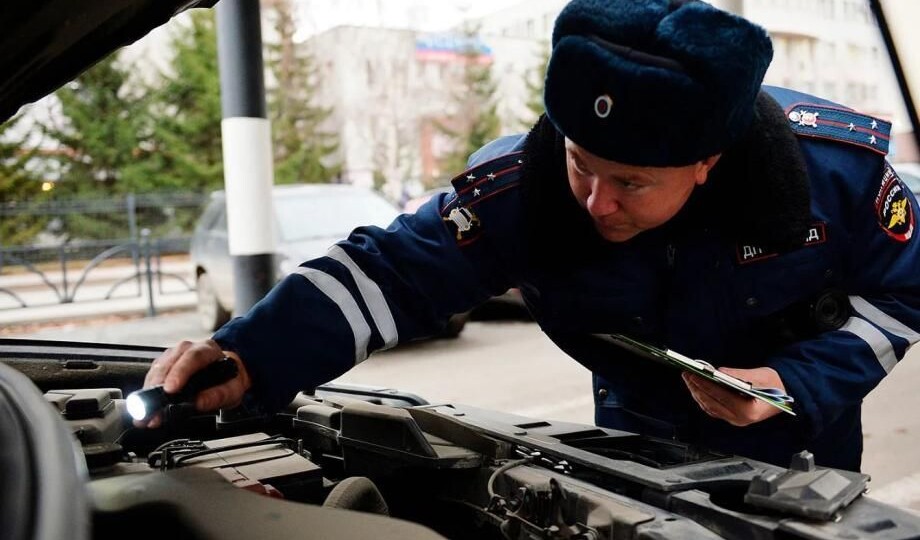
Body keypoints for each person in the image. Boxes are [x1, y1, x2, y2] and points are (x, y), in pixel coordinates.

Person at [141, 0, 920, 471]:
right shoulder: (525, 187)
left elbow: (906, 289)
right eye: (583, 163)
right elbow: (388, 275)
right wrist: (250, 355)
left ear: (707, 162)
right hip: (637, 444)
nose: (593, 202)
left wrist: (797, 386)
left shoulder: (834, 176)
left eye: (631, 183)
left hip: (801, 449)